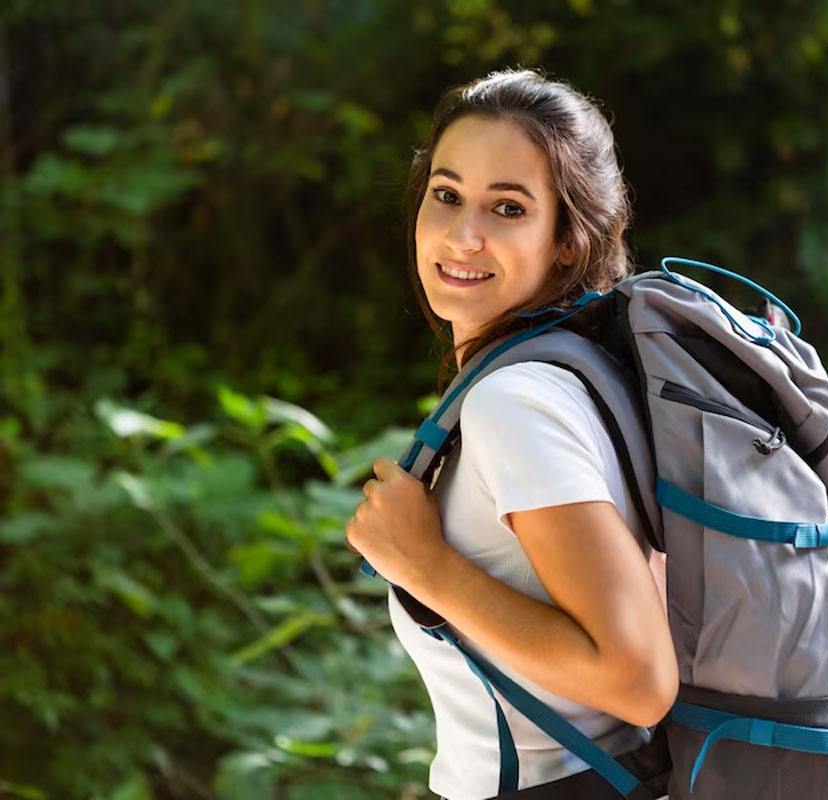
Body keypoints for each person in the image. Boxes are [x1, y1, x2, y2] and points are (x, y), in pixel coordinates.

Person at [344, 69, 677, 799]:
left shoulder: (516, 403)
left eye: (507, 207)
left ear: (566, 239)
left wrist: (426, 566)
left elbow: (639, 680)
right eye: (447, 194)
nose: (464, 236)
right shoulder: (588, 370)